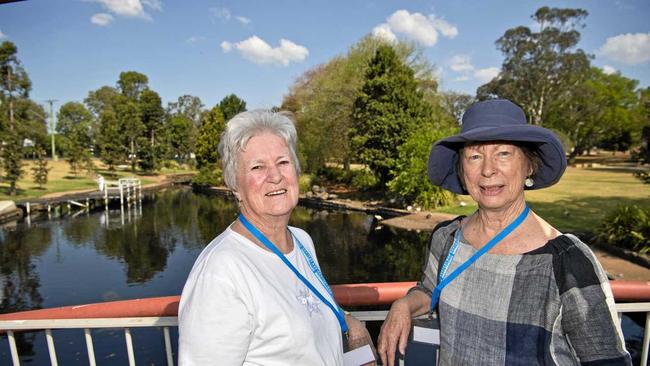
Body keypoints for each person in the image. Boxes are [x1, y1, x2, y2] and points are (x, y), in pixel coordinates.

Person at [377, 99, 631, 365]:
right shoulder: (447, 238)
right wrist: (404, 305)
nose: (488, 170)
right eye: (475, 156)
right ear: (463, 172)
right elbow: (429, 291)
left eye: (504, 154)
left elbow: (607, 359)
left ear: (529, 166)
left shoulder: (568, 261)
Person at [178, 110, 373, 365]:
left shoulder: (301, 241)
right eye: (258, 167)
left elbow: (306, 317)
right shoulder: (221, 273)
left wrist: (352, 326)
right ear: (235, 186)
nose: (275, 176)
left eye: (283, 162)